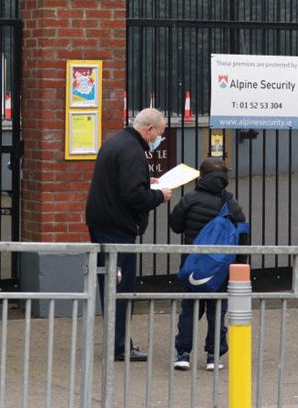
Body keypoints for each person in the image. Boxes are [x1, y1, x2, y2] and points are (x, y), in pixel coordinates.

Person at [86, 108, 173, 362]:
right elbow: (133, 196)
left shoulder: (116, 142)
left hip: (102, 222)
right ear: (149, 130)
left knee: (111, 284)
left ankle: (119, 340)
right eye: (159, 133)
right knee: (121, 287)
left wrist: (148, 182)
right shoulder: (133, 151)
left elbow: (124, 183)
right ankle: (119, 345)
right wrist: (159, 195)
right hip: (116, 227)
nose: (159, 139)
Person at [169, 157, 246, 371]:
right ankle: (214, 356)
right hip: (220, 267)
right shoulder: (230, 204)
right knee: (217, 309)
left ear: (201, 176)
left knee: (189, 309)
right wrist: (241, 263)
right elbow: (242, 232)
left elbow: (175, 225)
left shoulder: (190, 199)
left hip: (192, 264)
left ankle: (183, 353)